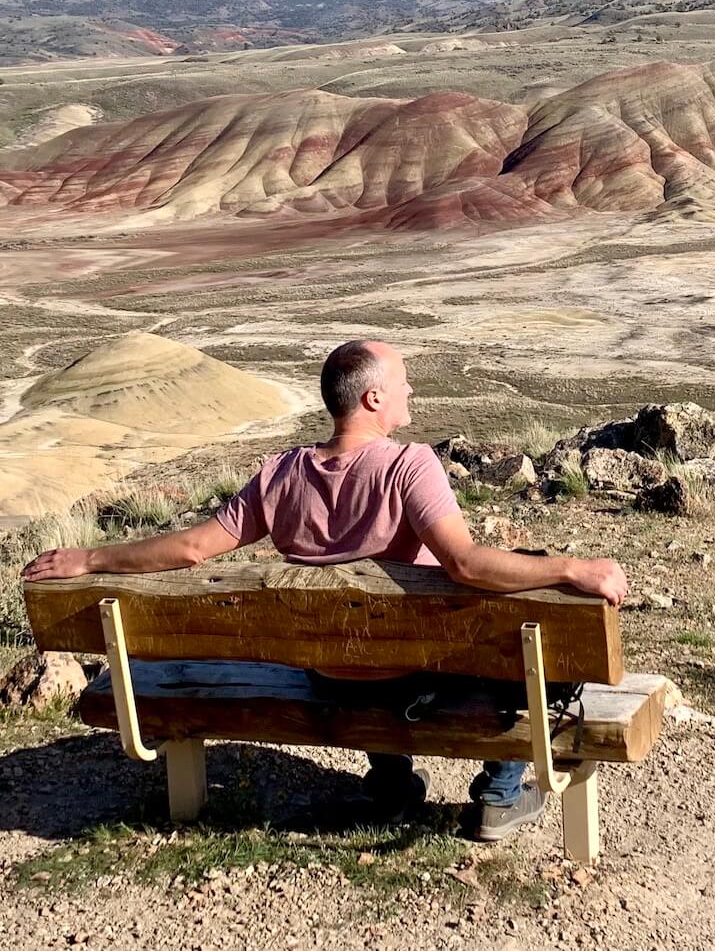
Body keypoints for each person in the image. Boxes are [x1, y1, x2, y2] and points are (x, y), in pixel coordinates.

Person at [23, 339, 628, 841]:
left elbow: (190, 549)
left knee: (358, 638)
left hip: (328, 672)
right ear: (373, 398)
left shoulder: (280, 474)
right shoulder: (408, 466)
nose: (411, 391)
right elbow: (467, 564)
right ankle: (498, 794)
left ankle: (391, 787)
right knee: (506, 627)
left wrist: (92, 556)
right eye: (403, 383)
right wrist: (572, 568)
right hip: (414, 673)